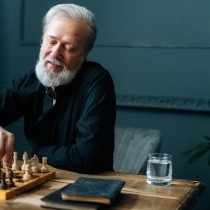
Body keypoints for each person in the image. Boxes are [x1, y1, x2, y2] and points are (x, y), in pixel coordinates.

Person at [0, 4, 116, 174]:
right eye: (51, 41)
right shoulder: (33, 79)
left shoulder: (98, 82)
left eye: (69, 48)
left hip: (88, 188)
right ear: (42, 40)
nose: (55, 53)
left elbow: (86, 157)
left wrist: (40, 153)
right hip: (40, 185)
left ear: (84, 55)